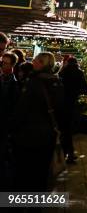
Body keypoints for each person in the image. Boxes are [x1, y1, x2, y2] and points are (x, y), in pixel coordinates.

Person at [12, 52, 64, 192]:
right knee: (41, 173)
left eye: (35, 60)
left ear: (41, 63)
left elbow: (21, 109)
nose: (33, 62)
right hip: (48, 135)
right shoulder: (57, 82)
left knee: (24, 172)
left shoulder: (33, 82)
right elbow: (61, 110)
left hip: (29, 134)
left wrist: (14, 129)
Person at [59, 56, 87, 163]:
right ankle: (70, 153)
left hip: (62, 104)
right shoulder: (79, 73)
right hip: (73, 104)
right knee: (68, 129)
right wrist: (76, 92)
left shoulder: (62, 72)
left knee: (64, 130)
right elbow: (86, 90)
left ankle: (65, 153)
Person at [0, 52, 20, 189]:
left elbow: (12, 107)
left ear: (13, 65)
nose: (2, 65)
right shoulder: (3, 79)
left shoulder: (14, 84)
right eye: (2, 62)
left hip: (3, 125)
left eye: (6, 63)